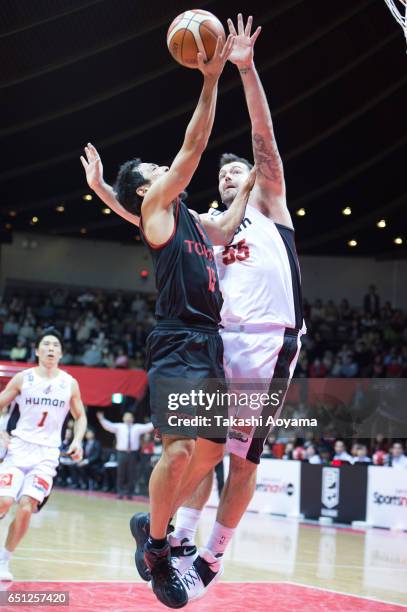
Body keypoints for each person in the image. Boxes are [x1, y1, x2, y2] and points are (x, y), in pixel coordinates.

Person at [81, 34, 260, 609]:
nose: (169, 170)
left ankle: (147, 526)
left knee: (207, 455)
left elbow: (228, 225)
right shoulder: (159, 208)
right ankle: (157, 546)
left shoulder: (187, 217)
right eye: (157, 171)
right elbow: (193, 145)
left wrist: (249, 187)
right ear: (146, 190)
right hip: (178, 343)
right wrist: (211, 79)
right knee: (181, 451)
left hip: (209, 347)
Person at [168, 14, 306, 601]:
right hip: (219, 340)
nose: (228, 173)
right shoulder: (209, 226)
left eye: (236, 169)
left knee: (243, 459)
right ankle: (176, 538)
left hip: (271, 341)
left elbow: (263, 142)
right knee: (204, 446)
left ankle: (211, 558)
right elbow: (157, 218)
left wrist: (245, 70)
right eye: (221, 172)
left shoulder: (271, 206)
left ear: (253, 178)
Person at [0, 327, 87, 581]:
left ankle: (4, 561)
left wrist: (78, 440)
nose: (51, 348)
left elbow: (80, 416)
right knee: (4, 501)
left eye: (55, 345)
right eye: (46, 344)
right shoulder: (23, 379)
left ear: (60, 353)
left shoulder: (68, 383)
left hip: (47, 455)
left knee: (27, 506)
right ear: (37, 351)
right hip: (18, 450)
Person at [97, 411, 153, 499]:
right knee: (121, 473)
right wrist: (102, 419)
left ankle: (130, 493)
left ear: (132, 419)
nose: (128, 418)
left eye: (130, 417)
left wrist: (158, 419)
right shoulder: (119, 427)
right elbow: (108, 426)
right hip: (121, 453)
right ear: (123, 418)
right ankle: (120, 492)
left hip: (133, 453)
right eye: (126, 417)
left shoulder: (137, 427)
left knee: (131, 474)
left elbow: (148, 427)